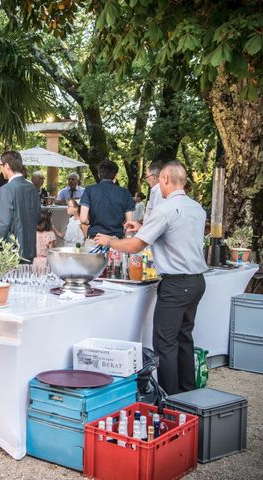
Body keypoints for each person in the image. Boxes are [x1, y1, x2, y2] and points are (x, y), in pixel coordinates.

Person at [94, 161, 207, 395]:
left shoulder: (164, 209)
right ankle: (189, 394)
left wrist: (109, 241)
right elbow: (176, 230)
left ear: (164, 179)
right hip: (196, 282)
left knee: (165, 344)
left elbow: (135, 246)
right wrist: (143, 225)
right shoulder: (196, 208)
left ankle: (170, 397)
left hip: (176, 283)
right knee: (184, 338)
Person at [0, 151, 40, 262]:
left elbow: (3, 222)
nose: (0, 169)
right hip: (30, 247)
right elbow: (37, 215)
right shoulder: (33, 188)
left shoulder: (6, 189)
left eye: (0, 165)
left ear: (7, 166)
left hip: (11, 249)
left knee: (8, 279)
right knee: (25, 278)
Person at [79, 160, 135, 239]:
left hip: (95, 238)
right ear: (115, 175)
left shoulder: (89, 190)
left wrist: (90, 222)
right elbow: (129, 223)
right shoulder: (125, 193)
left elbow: (83, 219)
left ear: (99, 175)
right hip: (116, 239)